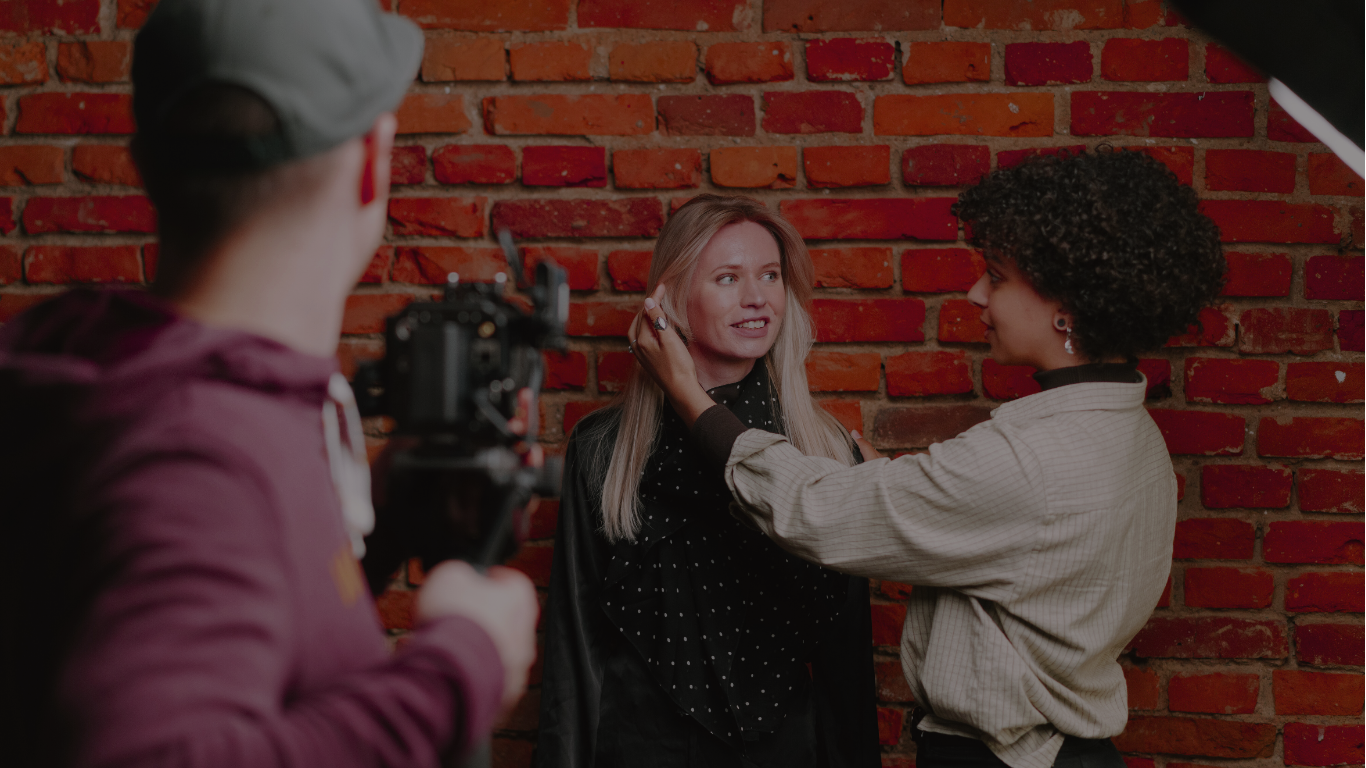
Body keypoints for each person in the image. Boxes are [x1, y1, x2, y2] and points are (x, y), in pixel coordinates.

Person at [0, 0, 538, 765]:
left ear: (144, 163)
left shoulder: (130, 374)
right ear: (374, 161)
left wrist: (383, 528)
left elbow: (217, 633)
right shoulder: (200, 456)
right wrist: (459, 671)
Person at [630, 151, 1226, 768]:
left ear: (1065, 307)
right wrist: (908, 492)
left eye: (996, 277)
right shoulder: (1133, 436)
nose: (976, 293)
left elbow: (815, 511)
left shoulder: (1028, 460)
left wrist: (689, 397)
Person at [535, 195, 881, 768]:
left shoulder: (824, 451)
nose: (757, 298)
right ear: (670, 300)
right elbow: (573, 651)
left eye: (770, 275)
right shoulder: (603, 450)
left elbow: (846, 669)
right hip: (638, 751)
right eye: (728, 278)